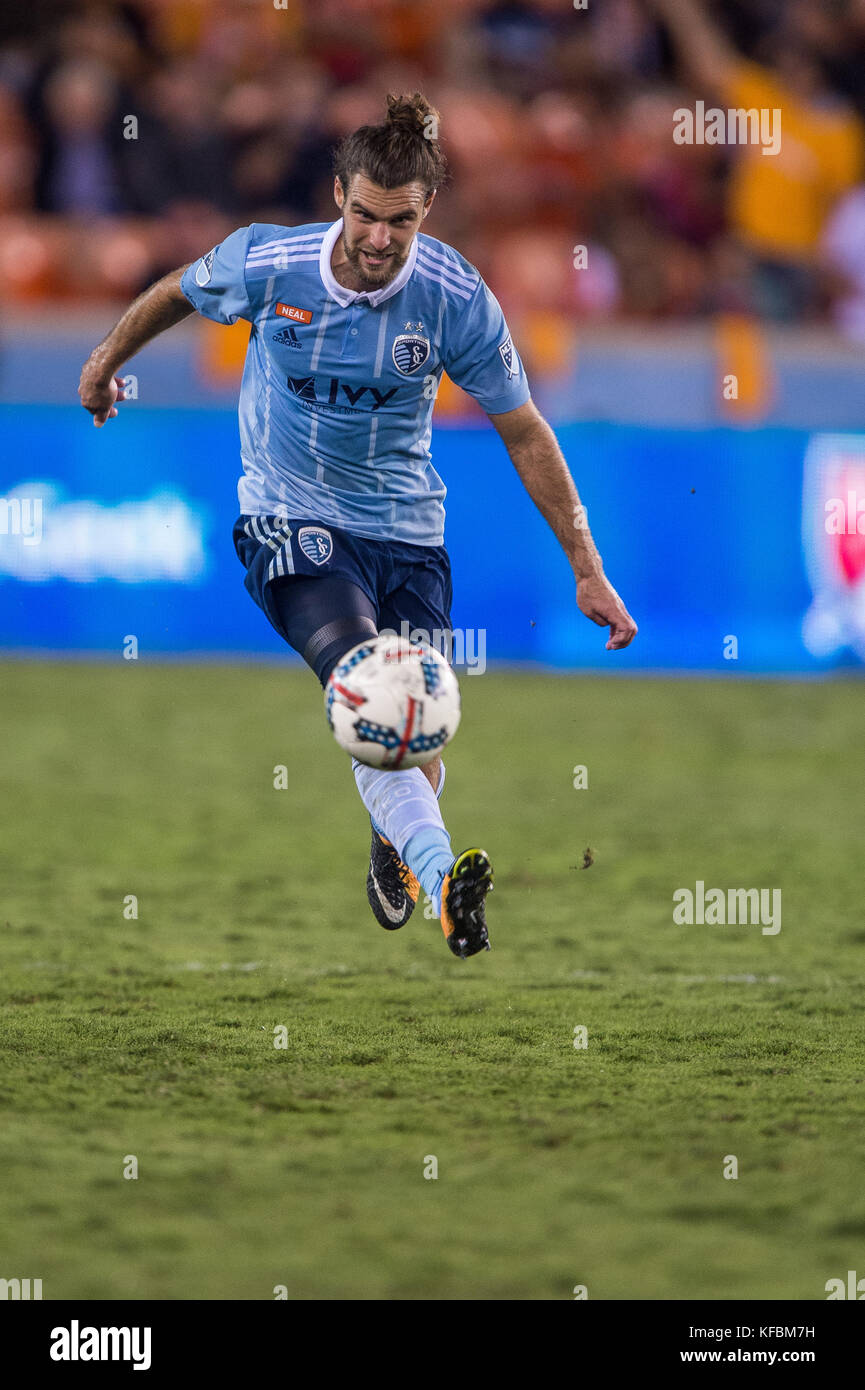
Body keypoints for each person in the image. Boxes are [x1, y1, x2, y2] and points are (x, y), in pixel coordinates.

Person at [78, 93, 637, 961]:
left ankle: (395, 844)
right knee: (368, 682)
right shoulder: (270, 262)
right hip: (288, 515)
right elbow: (178, 290)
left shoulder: (456, 299)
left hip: (407, 532)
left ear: (426, 214)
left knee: (416, 725)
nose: (378, 239)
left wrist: (586, 567)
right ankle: (447, 881)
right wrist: (106, 361)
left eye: (399, 223)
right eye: (365, 216)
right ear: (339, 194)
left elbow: (524, 429)